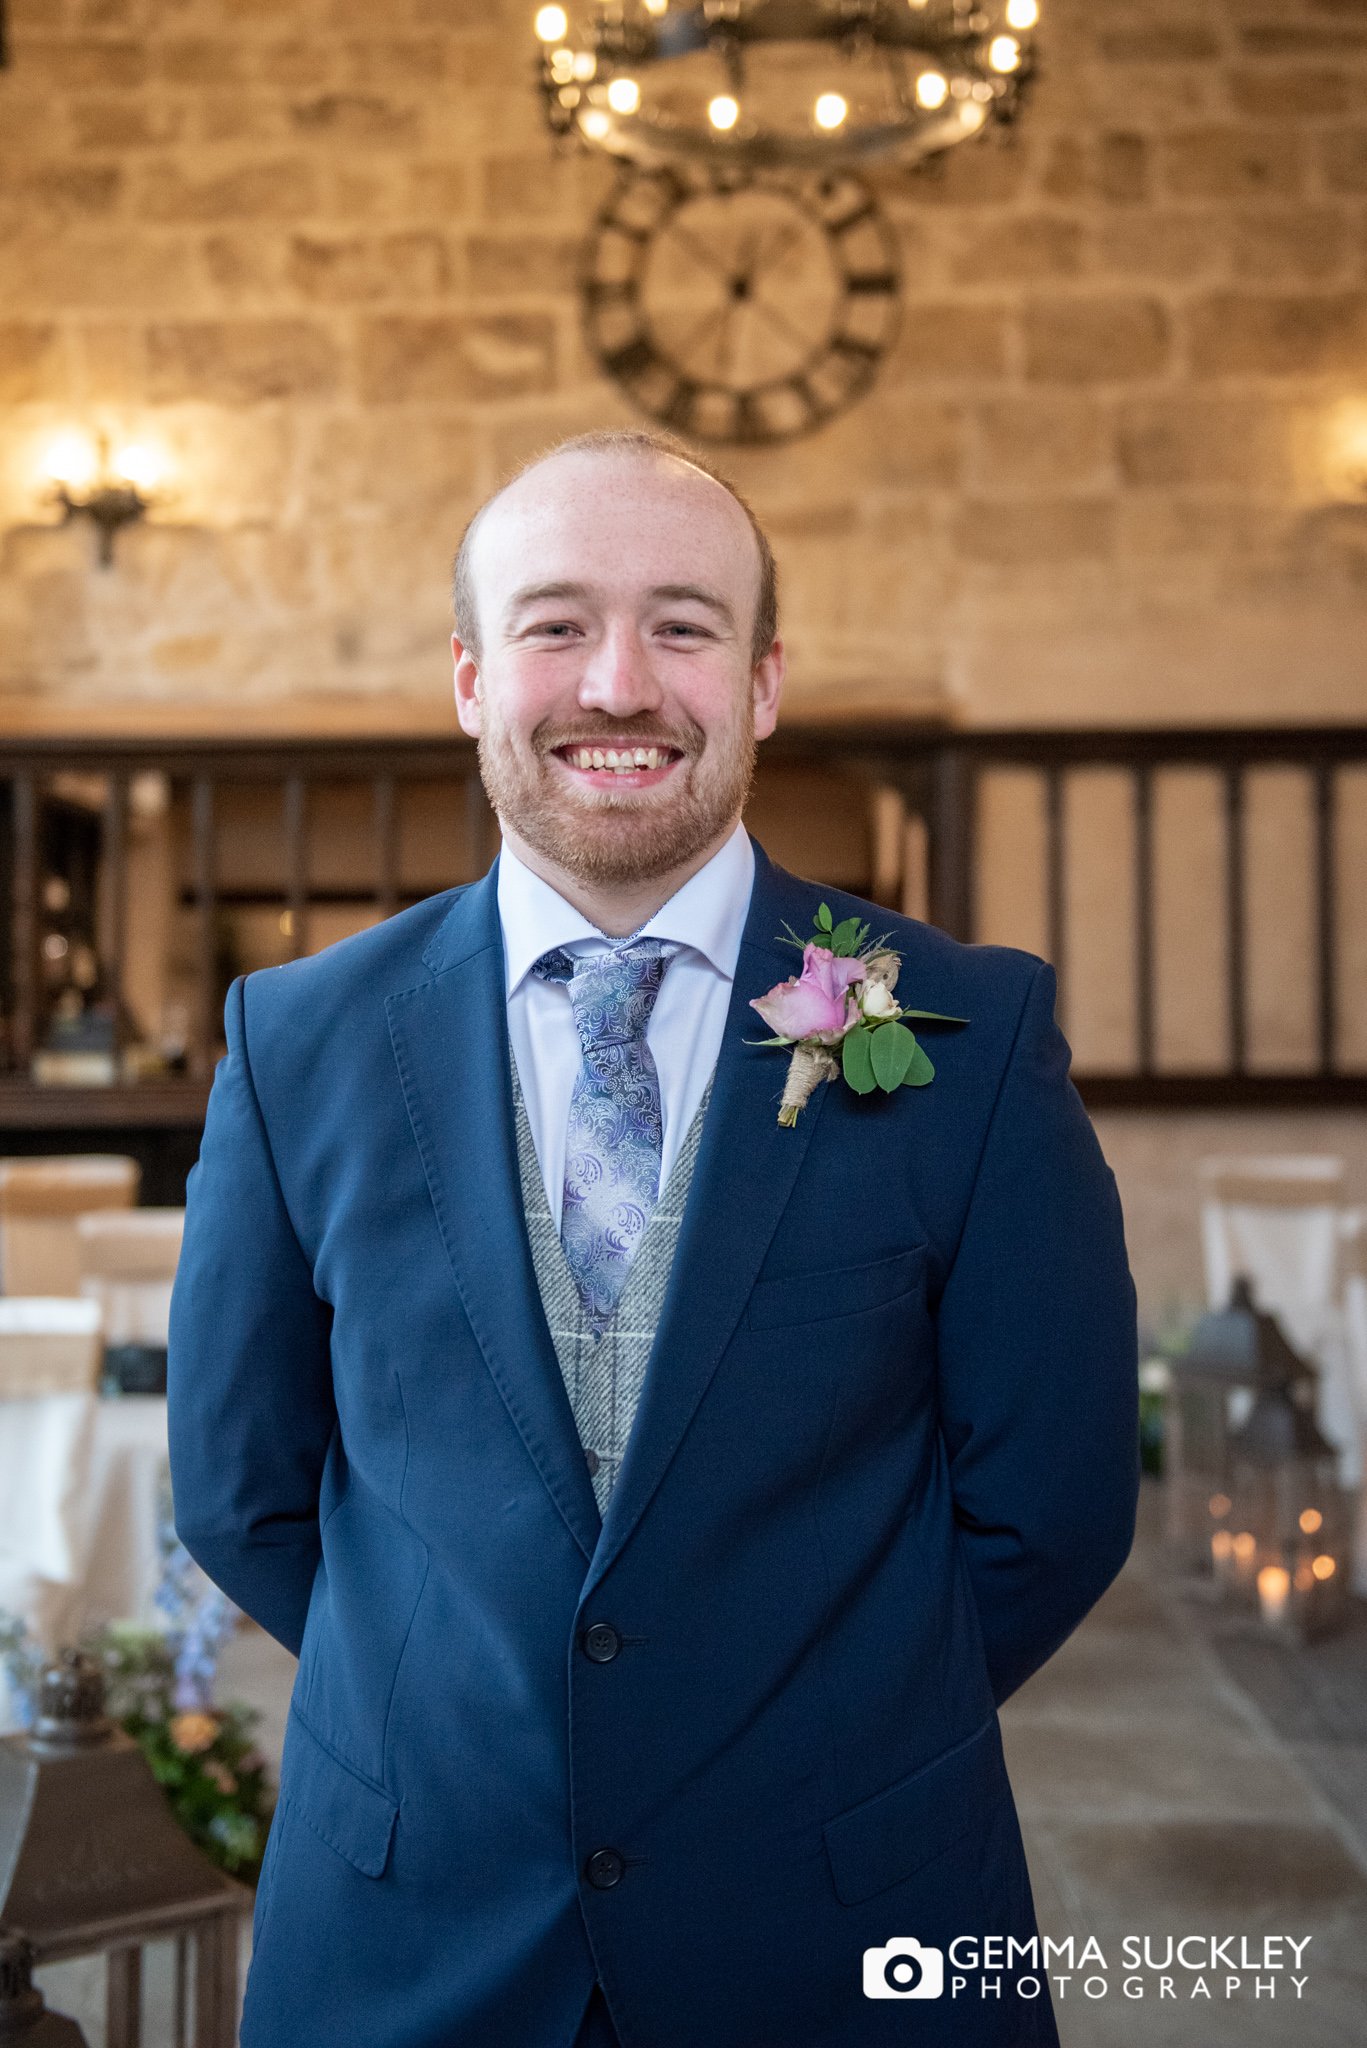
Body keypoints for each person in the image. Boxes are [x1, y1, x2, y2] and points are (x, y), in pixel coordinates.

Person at [167, 428, 1139, 2048]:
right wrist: (459, 1714)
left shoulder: (964, 1031)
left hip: (845, 1928)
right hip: (412, 1932)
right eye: (557, 625)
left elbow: (1057, 1505)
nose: (619, 683)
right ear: (471, 678)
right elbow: (244, 1488)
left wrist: (826, 1730)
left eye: (683, 626)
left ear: (762, 685)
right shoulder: (297, 1043)